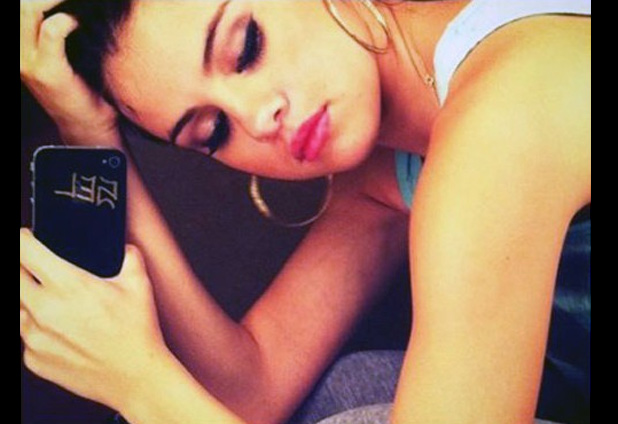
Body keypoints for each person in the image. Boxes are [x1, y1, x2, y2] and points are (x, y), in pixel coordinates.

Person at [19, 0, 591, 423]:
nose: (255, 117)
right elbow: (251, 390)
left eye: (247, 48)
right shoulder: (389, 169)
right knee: (338, 392)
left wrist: (140, 384)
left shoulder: (501, 122)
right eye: (213, 131)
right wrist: (94, 138)